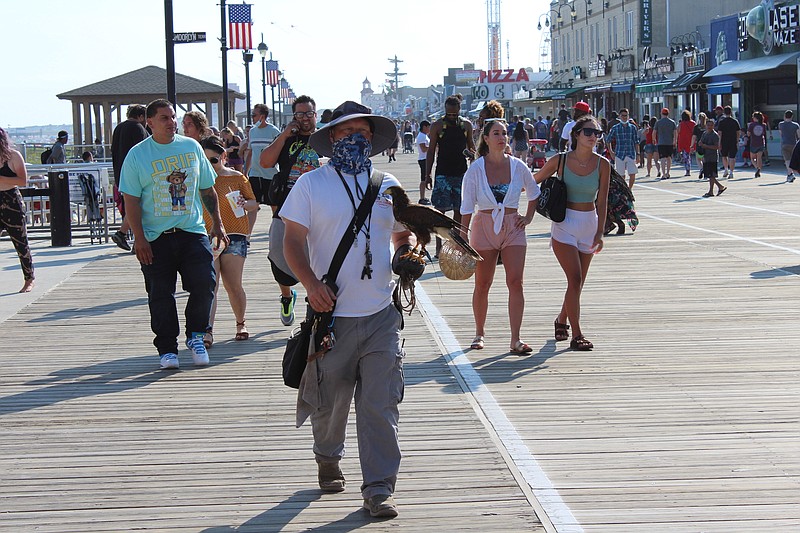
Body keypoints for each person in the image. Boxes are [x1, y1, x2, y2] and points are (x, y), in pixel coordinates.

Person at [281, 101, 415, 519]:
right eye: (346, 133)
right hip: (331, 317)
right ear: (332, 138)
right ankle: (327, 456)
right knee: (329, 403)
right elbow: (292, 242)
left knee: (380, 403)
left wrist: (408, 255)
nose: (356, 139)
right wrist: (310, 284)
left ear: (372, 140)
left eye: (363, 133)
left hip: (380, 315)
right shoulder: (310, 185)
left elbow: (402, 235)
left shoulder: (387, 184)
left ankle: (378, 489)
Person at [120, 99, 228, 370]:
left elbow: (207, 188)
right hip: (156, 236)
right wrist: (139, 238)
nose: (171, 122)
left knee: (205, 283)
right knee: (160, 294)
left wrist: (217, 222)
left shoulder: (191, 147)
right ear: (150, 122)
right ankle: (167, 348)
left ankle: (196, 336)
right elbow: (131, 201)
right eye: (164, 118)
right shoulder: (137, 155)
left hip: (191, 230)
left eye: (173, 117)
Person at [460, 119, 539, 353]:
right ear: (485, 138)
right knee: (483, 283)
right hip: (484, 226)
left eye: (504, 133)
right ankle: (479, 333)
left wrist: (528, 217)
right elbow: (466, 206)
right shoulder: (475, 169)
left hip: (513, 226)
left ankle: (516, 339)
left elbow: (534, 191)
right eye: (496, 133)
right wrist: (462, 237)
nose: (502, 137)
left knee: (516, 282)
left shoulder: (518, 166)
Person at [534, 115, 610, 351]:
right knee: (574, 279)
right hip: (564, 224)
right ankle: (577, 335)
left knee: (577, 283)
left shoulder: (603, 164)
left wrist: (600, 232)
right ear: (576, 134)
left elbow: (603, 201)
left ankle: (561, 319)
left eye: (597, 133)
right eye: (589, 132)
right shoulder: (560, 161)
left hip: (589, 224)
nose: (593, 137)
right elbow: (533, 180)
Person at [259, 95, 321, 327]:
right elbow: (265, 162)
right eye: (300, 114)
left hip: (319, 208)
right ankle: (287, 295)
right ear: (293, 116)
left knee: (317, 259)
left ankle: (314, 303)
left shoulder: (326, 138)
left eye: (309, 113)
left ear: (316, 114)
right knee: (278, 254)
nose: (304, 118)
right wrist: (285, 134)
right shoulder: (285, 138)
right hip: (286, 208)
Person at [200, 136, 257, 347]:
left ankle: (240, 323)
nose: (210, 166)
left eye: (213, 160)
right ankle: (208, 330)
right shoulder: (199, 179)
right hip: (207, 236)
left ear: (224, 156)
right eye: (205, 161)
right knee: (209, 286)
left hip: (235, 235)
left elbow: (254, 204)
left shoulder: (237, 177)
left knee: (233, 285)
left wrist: (245, 204)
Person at [426, 94, 476, 253]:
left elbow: (472, 148)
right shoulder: (437, 126)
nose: (452, 117)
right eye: (449, 114)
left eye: (455, 114)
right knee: (439, 211)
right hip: (442, 174)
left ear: (459, 110)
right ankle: (439, 247)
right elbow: (431, 151)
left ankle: (456, 245)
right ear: (445, 111)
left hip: (461, 173)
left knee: (459, 211)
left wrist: (472, 159)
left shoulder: (466, 125)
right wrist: (427, 175)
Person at [0, 127, 35, 293]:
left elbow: (22, 180)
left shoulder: (13, 156)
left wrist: (1, 178)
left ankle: (29, 279)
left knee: (20, 242)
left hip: (11, 201)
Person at [111, 104, 149, 251]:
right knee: (140, 205)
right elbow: (144, 152)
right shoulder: (138, 128)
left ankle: (130, 237)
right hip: (137, 174)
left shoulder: (118, 128)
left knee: (132, 205)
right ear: (140, 116)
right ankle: (124, 233)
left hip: (121, 174)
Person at [244, 103, 281, 231]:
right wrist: (245, 171)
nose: (252, 118)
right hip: (255, 174)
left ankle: (276, 233)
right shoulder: (252, 131)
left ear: (262, 116)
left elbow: (280, 152)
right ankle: (247, 236)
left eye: (254, 115)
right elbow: (250, 152)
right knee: (253, 205)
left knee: (274, 205)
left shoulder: (274, 131)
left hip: (270, 174)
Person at [606, 108, 640, 189]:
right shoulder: (615, 128)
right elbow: (608, 140)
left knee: (632, 173)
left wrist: (638, 154)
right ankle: (623, 190)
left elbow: (636, 141)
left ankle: (629, 189)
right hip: (619, 154)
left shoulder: (632, 127)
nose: (624, 117)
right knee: (621, 175)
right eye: (623, 116)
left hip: (630, 153)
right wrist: (611, 152)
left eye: (626, 115)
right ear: (619, 116)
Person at [698, 119, 726, 197]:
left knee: (711, 175)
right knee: (709, 175)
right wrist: (700, 145)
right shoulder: (704, 133)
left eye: (711, 125)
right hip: (706, 156)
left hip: (712, 157)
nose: (709, 127)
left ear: (713, 126)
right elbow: (701, 142)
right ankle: (717, 188)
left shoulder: (715, 135)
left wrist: (706, 146)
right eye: (708, 125)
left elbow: (717, 146)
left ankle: (714, 190)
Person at [716, 106, 741, 180]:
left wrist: (719, 143)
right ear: (731, 112)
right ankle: (731, 172)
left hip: (724, 141)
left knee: (724, 156)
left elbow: (719, 133)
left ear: (724, 112)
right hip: (733, 141)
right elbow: (738, 132)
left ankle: (726, 169)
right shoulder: (735, 121)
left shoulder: (722, 122)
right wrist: (737, 140)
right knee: (732, 157)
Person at [653, 108, 677, 180]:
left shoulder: (658, 122)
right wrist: (675, 141)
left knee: (662, 158)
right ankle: (668, 173)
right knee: (669, 157)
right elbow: (675, 133)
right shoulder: (672, 122)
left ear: (661, 113)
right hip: (669, 142)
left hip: (661, 142)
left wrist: (654, 139)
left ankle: (663, 174)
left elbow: (654, 132)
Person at [778, 110, 800, 182]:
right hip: (794, 144)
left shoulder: (781, 124)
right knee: (793, 160)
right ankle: (790, 174)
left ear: (785, 116)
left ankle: (790, 174)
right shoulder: (796, 125)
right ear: (792, 116)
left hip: (785, 144)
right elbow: (798, 136)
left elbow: (781, 134)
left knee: (787, 160)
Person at [676, 110, 697, 177]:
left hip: (683, 141)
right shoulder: (693, 123)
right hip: (691, 141)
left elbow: (678, 131)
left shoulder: (681, 124)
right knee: (693, 155)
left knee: (686, 156)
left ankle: (688, 170)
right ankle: (701, 166)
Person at [748, 111, 767, 178]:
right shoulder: (763, 125)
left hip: (753, 143)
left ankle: (757, 168)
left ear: (755, 118)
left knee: (752, 158)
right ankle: (759, 169)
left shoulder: (751, 125)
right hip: (761, 142)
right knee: (759, 158)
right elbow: (764, 133)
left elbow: (748, 134)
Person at [416, 120, 431, 204]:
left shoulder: (424, 136)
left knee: (425, 178)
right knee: (423, 179)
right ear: (424, 127)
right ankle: (421, 198)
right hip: (423, 159)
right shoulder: (421, 136)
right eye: (428, 127)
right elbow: (423, 149)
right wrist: (431, 146)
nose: (429, 129)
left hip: (425, 159)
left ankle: (423, 197)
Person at [692, 113, 707, 180]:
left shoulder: (696, 127)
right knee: (705, 159)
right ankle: (706, 172)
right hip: (707, 144)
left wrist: (692, 145)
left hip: (699, 145)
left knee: (698, 159)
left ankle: (701, 168)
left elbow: (694, 137)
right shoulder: (707, 126)